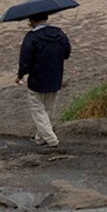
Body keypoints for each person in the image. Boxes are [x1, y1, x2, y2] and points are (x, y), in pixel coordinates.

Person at [15, 11, 71, 146]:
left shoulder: (32, 37)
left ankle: (52, 140)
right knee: (48, 109)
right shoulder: (60, 34)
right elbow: (67, 53)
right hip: (55, 77)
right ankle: (40, 138)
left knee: (38, 111)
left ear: (32, 20)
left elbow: (25, 61)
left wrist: (20, 75)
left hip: (37, 79)